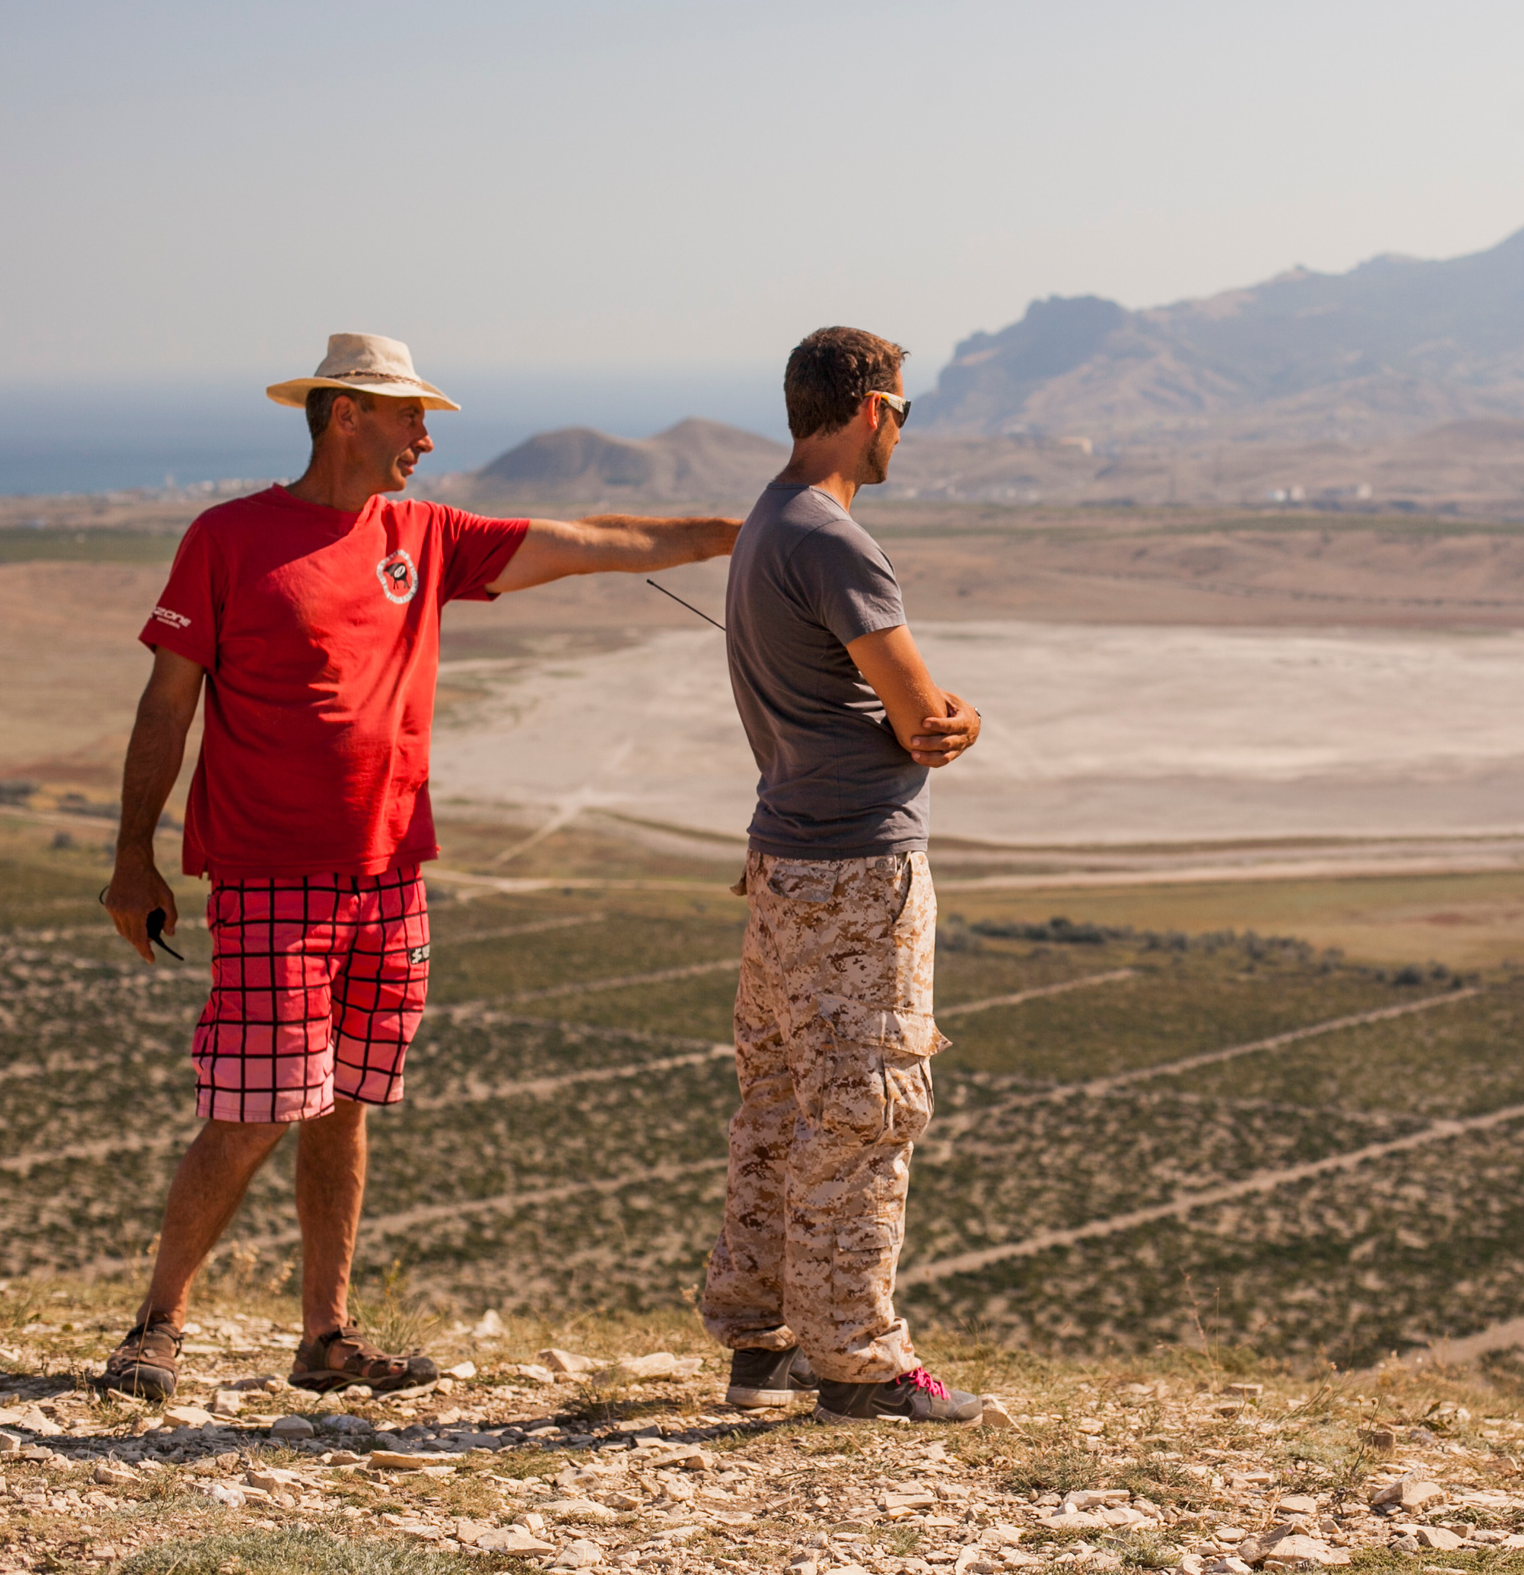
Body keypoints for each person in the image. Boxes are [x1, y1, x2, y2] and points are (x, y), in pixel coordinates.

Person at [96, 332, 740, 1402]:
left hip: (391, 874)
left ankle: (326, 1337)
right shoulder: (227, 539)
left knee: (343, 1102)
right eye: (410, 419)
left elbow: (597, 538)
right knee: (255, 1107)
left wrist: (740, 532)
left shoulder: (426, 536)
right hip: (266, 874)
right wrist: (132, 855)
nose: (427, 441)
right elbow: (167, 703)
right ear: (346, 414)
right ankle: (155, 1329)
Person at [700, 327, 986, 1423]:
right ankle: (858, 1360)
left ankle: (760, 1332)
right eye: (903, 410)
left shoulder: (766, 521)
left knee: (777, 1103)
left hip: (782, 860)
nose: (904, 430)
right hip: (857, 869)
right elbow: (922, 721)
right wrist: (966, 717)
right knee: (867, 1106)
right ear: (868, 409)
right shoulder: (833, 540)